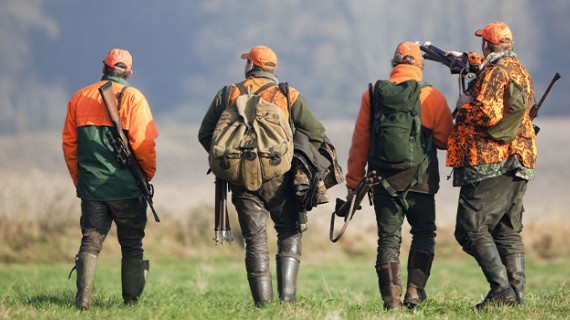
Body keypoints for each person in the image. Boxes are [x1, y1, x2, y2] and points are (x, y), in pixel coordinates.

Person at [198, 45, 325, 307]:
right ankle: (287, 301)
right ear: (272, 68)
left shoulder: (228, 93)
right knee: (289, 231)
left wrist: (230, 162)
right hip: (281, 178)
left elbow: (205, 135)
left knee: (254, 239)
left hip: (241, 180)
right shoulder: (288, 95)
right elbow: (316, 132)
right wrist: (291, 154)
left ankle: (263, 305)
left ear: (250, 66)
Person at [346, 41, 453, 309]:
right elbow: (445, 141)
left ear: (394, 64)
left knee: (388, 239)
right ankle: (415, 292)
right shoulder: (433, 96)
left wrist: (352, 183)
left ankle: (391, 301)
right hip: (422, 181)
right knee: (424, 233)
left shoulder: (371, 95)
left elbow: (360, 141)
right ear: (421, 65)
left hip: (382, 182)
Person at [446, 21, 536, 309]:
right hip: (520, 159)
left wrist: (463, 105)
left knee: (470, 228)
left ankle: (501, 291)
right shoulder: (518, 69)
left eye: (482, 43)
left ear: (488, 45)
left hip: (490, 162)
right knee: (506, 230)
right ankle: (515, 297)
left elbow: (487, 112)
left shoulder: (495, 72)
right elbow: (485, 72)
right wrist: (461, 58)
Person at [62, 48, 159, 309]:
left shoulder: (79, 97)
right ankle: (131, 301)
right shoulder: (135, 98)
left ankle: (83, 297)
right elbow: (144, 144)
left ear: (104, 67)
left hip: (92, 187)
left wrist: (81, 181)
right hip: (127, 187)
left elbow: (70, 146)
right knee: (131, 244)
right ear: (128, 72)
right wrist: (145, 176)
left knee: (91, 240)